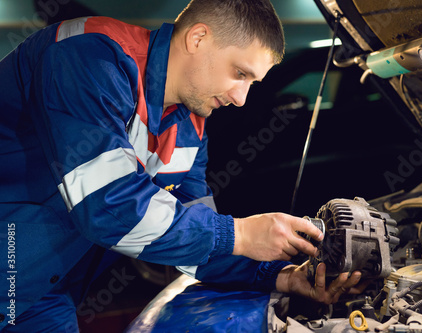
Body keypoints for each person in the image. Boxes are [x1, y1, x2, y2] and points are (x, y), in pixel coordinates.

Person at [0, 0, 361, 331]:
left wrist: (281, 275)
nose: (241, 99)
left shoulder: (189, 124)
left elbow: (193, 231)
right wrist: (240, 234)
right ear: (198, 37)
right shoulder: (88, 58)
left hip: (38, 293)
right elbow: (108, 205)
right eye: (239, 73)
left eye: (252, 83)